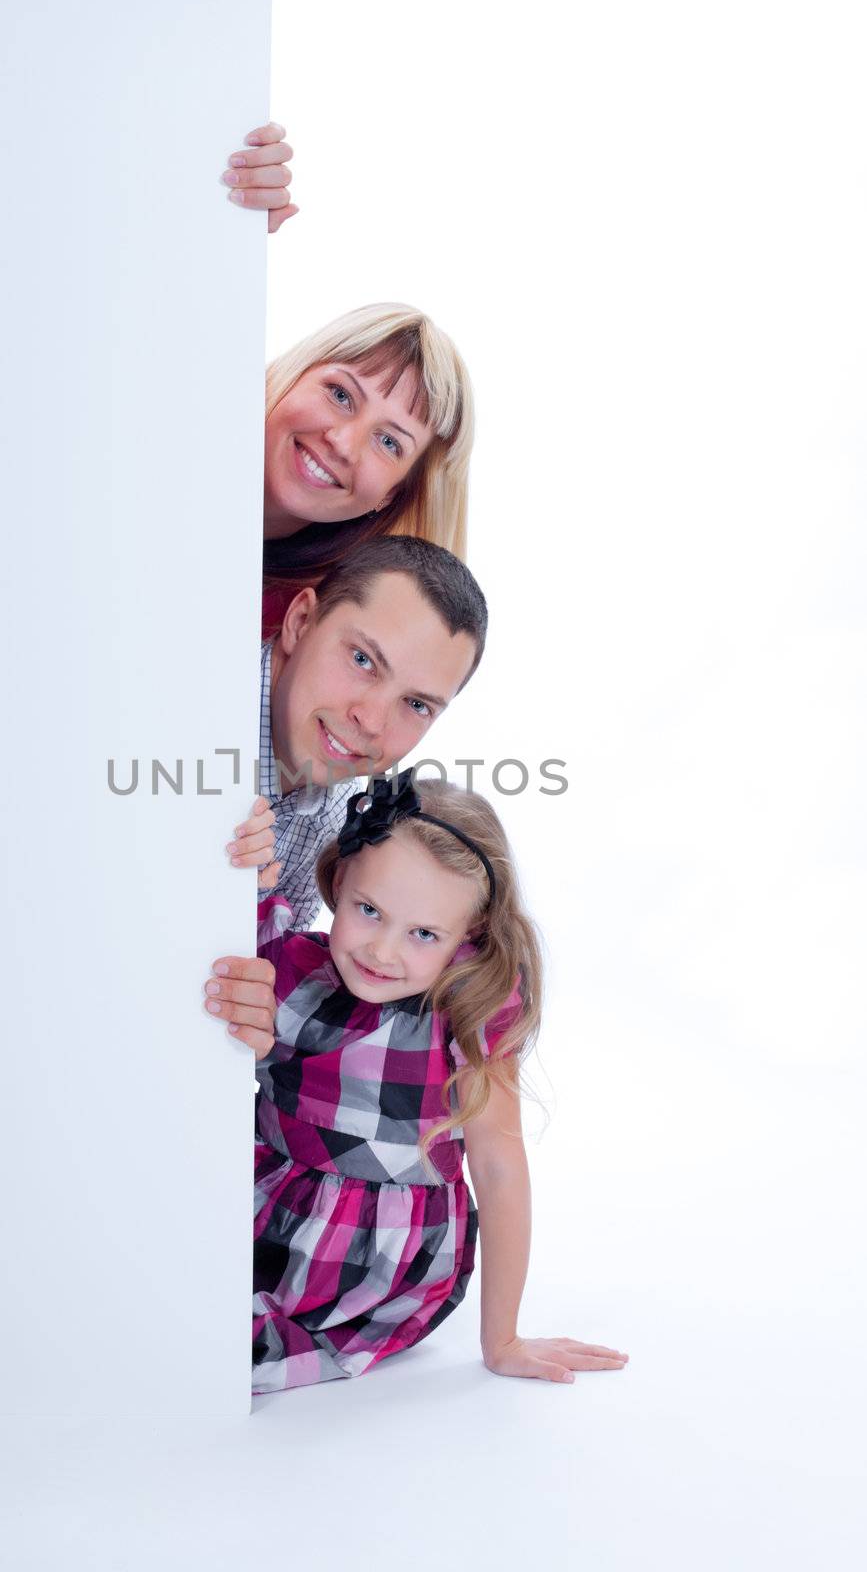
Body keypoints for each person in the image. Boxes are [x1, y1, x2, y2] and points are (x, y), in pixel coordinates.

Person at [203, 773, 629, 1393]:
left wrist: (503, 1339)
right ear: (338, 883)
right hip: (256, 1213)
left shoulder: (466, 1012)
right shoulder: (289, 965)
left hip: (369, 1261)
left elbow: (498, 1164)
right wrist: (249, 862)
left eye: (423, 933)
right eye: (368, 910)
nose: (382, 950)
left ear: (468, 939)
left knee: (216, 1356)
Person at [219, 125, 475, 637]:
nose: (341, 442)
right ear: (294, 375)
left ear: (392, 494)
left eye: (387, 442)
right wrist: (219, 215)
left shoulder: (312, 633)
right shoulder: (179, 414)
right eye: (340, 395)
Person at [230, 534, 488, 931]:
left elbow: (265, 959)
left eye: (417, 705)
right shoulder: (191, 717)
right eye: (362, 660)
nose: (370, 721)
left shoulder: (335, 819)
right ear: (300, 623)